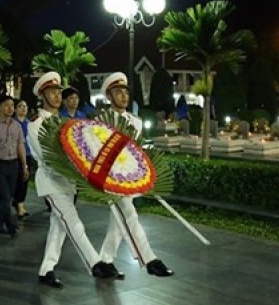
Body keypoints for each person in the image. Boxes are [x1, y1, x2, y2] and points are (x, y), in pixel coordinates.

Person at [28, 72, 116, 288]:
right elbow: (47, 155)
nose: (58, 96)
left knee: (59, 225)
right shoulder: (36, 123)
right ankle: (95, 263)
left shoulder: (63, 121)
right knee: (72, 219)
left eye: (59, 92)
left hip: (67, 181)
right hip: (50, 179)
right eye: (52, 92)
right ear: (42, 95)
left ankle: (46, 269)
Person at [98, 72, 174, 278]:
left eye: (125, 92)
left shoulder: (136, 121)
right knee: (130, 216)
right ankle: (149, 260)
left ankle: (104, 261)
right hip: (111, 179)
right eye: (117, 92)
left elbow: (138, 152)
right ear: (109, 96)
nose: (123, 96)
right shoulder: (101, 122)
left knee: (119, 222)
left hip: (129, 178)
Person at [0, 94, 28, 237]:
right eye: (7, 105)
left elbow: (20, 145)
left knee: (7, 198)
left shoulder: (17, 126)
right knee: (4, 197)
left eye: (12, 105)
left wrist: (24, 165)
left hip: (13, 165)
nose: (10, 108)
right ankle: (10, 225)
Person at [12, 100, 31, 220]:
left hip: (28, 154)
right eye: (20, 106)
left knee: (25, 180)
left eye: (25, 106)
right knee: (18, 180)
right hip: (15, 155)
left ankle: (20, 203)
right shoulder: (13, 123)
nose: (23, 108)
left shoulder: (29, 123)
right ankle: (18, 204)